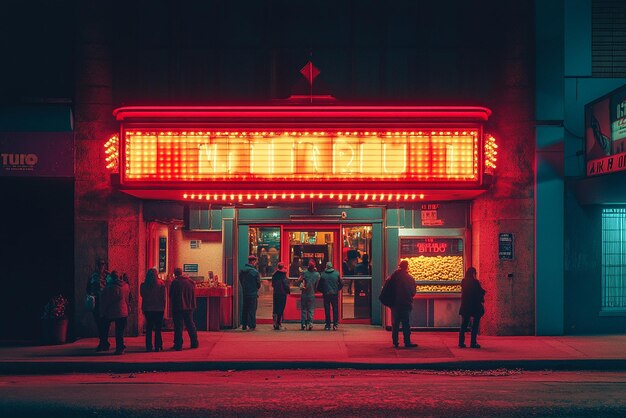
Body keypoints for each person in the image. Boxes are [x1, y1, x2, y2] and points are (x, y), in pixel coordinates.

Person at [381, 260, 417, 348]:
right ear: (407, 267)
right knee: (406, 323)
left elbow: (386, 289)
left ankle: (395, 341)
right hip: (405, 303)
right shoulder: (409, 278)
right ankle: (407, 341)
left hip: (394, 303)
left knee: (395, 323)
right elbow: (413, 292)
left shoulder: (392, 277)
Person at [99, 270, 130, 355]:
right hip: (123, 311)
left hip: (111, 311)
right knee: (119, 331)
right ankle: (120, 347)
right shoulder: (125, 286)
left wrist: (102, 311)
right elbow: (128, 296)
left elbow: (105, 301)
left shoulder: (109, 288)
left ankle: (104, 344)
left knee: (105, 328)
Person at [169, 267, 199, 351]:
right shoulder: (190, 282)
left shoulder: (175, 282)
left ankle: (178, 344)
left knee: (178, 326)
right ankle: (194, 342)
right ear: (182, 273)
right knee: (190, 324)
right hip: (189, 306)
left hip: (178, 306)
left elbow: (171, 294)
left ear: (175, 274)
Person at [458, 267, 486, 349]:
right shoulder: (475, 282)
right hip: (474, 306)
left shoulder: (464, 281)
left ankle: (461, 342)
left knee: (464, 325)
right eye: (475, 273)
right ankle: (473, 343)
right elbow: (479, 292)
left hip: (465, 305)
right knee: (475, 325)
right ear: (473, 273)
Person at [86, 258, 110, 351]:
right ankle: (103, 341)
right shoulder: (93, 276)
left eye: (102, 264)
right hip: (97, 302)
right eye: (100, 265)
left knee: (106, 323)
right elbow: (88, 288)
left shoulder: (108, 275)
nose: (101, 266)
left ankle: (104, 342)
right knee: (99, 323)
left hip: (105, 302)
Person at [140, 268, 166, 352]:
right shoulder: (161, 284)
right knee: (158, 329)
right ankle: (158, 345)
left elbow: (142, 295)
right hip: (159, 309)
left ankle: (149, 346)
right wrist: (163, 307)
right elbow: (163, 298)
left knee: (149, 328)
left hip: (148, 309)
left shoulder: (143, 285)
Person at [239, 255, 261, 331]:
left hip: (245, 293)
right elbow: (258, 284)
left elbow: (241, 281)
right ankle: (252, 325)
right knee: (252, 309)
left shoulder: (242, 271)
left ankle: (244, 325)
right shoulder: (255, 272)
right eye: (255, 262)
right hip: (253, 293)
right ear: (253, 262)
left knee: (245, 309)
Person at [297, 259, 320, 330]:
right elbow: (318, 285)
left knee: (303, 309)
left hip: (304, 294)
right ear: (314, 267)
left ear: (308, 266)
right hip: (311, 294)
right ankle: (310, 323)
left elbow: (298, 281)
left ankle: (303, 324)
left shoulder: (304, 273)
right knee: (311, 310)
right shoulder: (317, 274)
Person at [320, 261, 342, 331]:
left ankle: (328, 324)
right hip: (334, 294)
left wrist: (323, 291)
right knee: (335, 308)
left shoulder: (323, 274)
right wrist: (337, 289)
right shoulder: (337, 273)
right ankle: (335, 324)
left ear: (326, 267)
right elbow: (341, 283)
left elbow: (319, 285)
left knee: (327, 309)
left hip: (326, 294)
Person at [271, 262, 290, 330]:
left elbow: (272, 284)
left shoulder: (274, 275)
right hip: (282, 294)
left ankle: (275, 323)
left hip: (276, 293)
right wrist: (288, 291)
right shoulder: (283, 275)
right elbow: (286, 285)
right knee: (281, 309)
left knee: (275, 308)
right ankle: (279, 323)